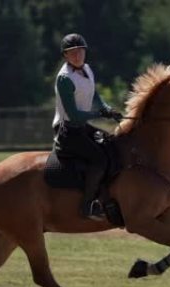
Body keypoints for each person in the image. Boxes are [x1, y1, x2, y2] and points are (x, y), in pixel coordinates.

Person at [52, 33, 122, 220]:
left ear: (85, 52)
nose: (77, 55)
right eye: (72, 53)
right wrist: (99, 114)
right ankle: (87, 205)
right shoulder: (64, 79)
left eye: (80, 51)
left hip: (81, 126)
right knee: (99, 159)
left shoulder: (87, 69)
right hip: (67, 130)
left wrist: (107, 108)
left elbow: (94, 93)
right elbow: (73, 115)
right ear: (65, 56)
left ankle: (108, 199)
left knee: (112, 144)